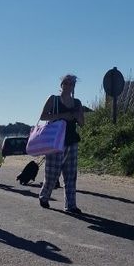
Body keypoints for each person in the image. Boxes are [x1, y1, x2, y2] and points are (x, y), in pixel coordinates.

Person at [38, 74, 85, 214]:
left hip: (71, 141)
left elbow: (82, 123)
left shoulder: (77, 103)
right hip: (55, 142)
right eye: (66, 83)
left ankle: (71, 205)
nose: (68, 86)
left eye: (71, 84)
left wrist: (77, 116)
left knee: (70, 176)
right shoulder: (53, 99)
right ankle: (44, 196)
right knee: (52, 174)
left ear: (73, 87)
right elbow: (43, 116)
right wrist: (62, 116)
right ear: (61, 85)